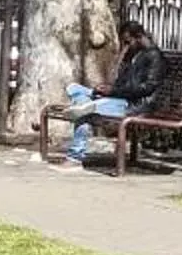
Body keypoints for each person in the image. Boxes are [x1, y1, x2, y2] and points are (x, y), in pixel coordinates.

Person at [47, 19, 169, 171]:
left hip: (136, 105)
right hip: (119, 99)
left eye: (127, 42)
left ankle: (75, 157)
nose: (125, 46)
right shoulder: (134, 55)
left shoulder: (155, 58)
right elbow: (123, 84)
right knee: (74, 89)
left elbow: (146, 89)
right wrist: (108, 88)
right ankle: (86, 102)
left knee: (85, 114)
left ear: (138, 37)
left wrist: (113, 92)